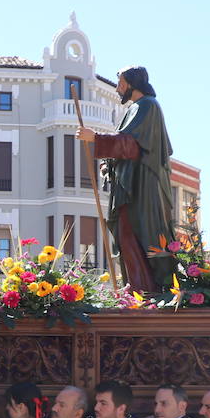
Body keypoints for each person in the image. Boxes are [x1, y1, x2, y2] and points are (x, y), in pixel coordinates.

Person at [76, 66, 176, 292]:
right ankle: (137, 284)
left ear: (133, 84)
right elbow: (128, 147)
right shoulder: (135, 109)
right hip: (129, 185)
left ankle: (149, 286)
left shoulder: (147, 106)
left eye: (121, 83)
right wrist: (109, 165)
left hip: (143, 186)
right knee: (125, 233)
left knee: (141, 231)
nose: (118, 88)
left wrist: (95, 138)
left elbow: (133, 145)